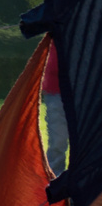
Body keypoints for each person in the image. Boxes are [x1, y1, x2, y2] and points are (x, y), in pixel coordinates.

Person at [42, 45, 67, 177]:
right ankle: (55, 183)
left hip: (85, 91)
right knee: (58, 142)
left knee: (86, 144)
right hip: (56, 90)